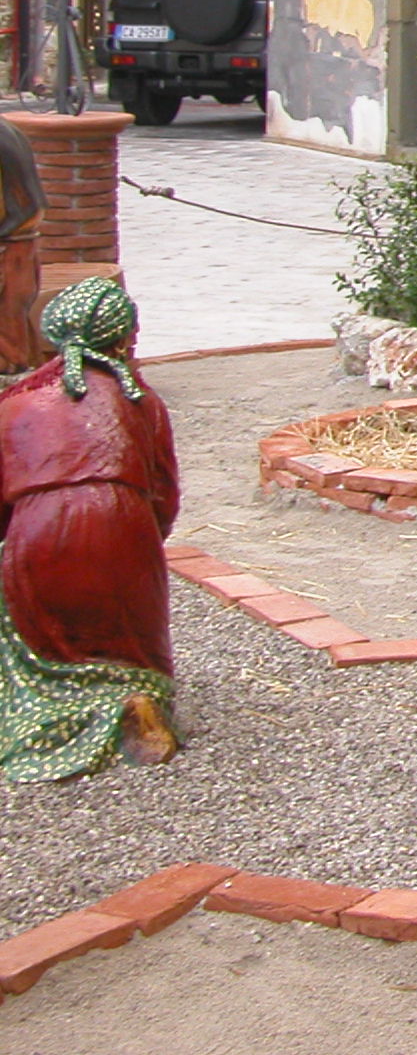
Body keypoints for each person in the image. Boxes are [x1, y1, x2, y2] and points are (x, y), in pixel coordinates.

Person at [0, 277, 182, 780]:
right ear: (122, 340)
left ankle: (48, 712)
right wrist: (143, 545)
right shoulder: (141, 400)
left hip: (40, 532)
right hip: (124, 526)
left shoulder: (16, 402)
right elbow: (164, 496)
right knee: (132, 648)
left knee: (34, 636)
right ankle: (135, 700)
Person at [0, 124, 44, 372]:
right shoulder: (7, 130)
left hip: (9, 245)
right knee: (16, 325)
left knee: (10, 349)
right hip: (19, 242)